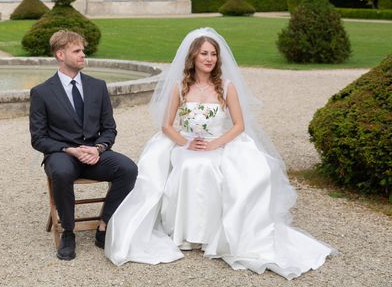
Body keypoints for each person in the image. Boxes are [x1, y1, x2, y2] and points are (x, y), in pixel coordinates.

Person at [105, 27, 335, 279]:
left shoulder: (226, 87)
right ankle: (184, 234)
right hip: (186, 144)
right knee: (190, 165)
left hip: (218, 142)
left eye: (213, 54)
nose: (209, 58)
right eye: (203, 53)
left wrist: (216, 144)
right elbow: (166, 126)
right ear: (193, 56)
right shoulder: (180, 88)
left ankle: (212, 234)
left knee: (212, 166)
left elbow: (239, 125)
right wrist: (185, 143)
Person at [30, 30, 137, 261]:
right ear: (60, 54)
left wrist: (98, 148)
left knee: (128, 168)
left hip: (93, 153)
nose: (83, 54)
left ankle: (104, 224)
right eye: (77, 51)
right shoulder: (41, 92)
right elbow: (38, 138)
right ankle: (68, 232)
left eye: (82, 50)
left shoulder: (97, 86)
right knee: (61, 171)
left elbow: (109, 128)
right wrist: (69, 149)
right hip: (62, 154)